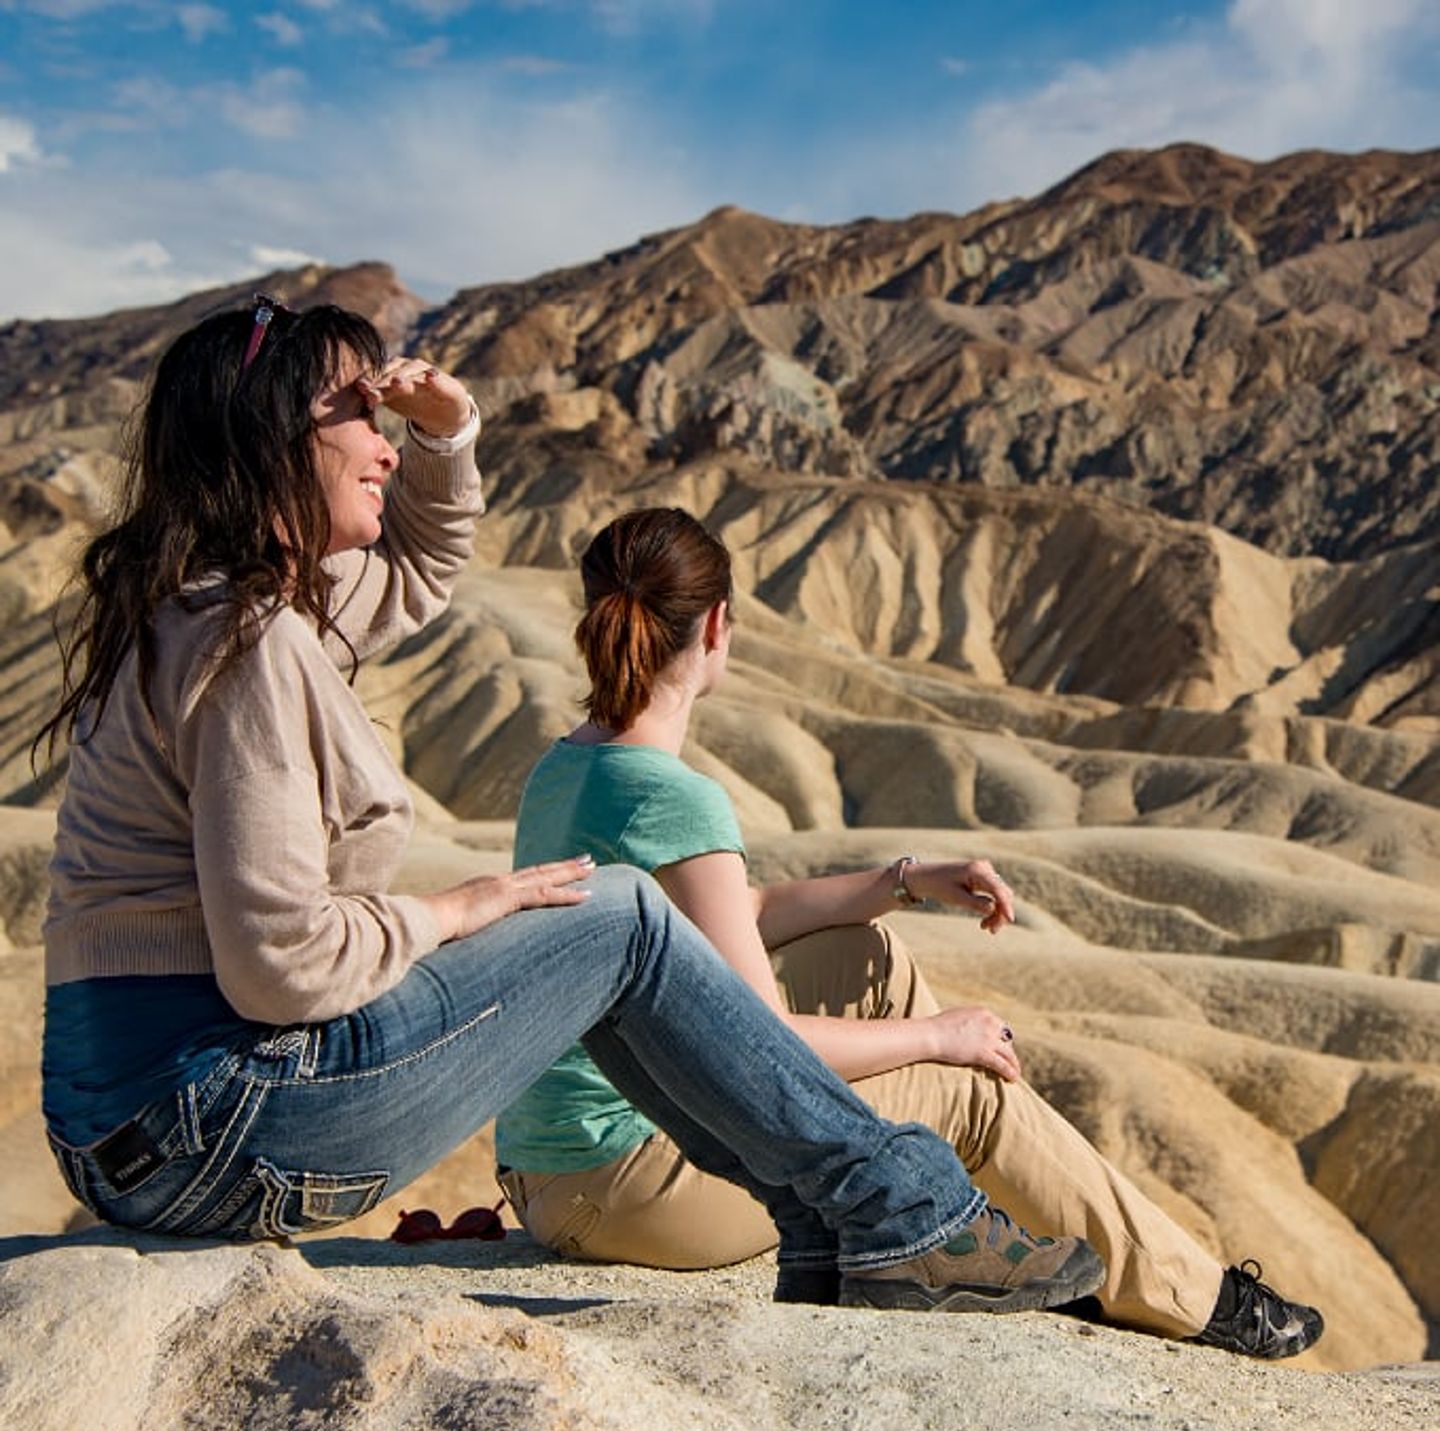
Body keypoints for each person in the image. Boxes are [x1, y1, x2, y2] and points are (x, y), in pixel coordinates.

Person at [35, 296, 1105, 1321]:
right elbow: (277, 965)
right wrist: (459, 913)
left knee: (609, 925)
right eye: (358, 411)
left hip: (145, 1130)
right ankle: (897, 1218)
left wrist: (453, 438)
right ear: (270, 439)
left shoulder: (211, 608)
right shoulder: (251, 644)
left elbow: (414, 566)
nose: (386, 439)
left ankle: (837, 1223)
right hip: (216, 1119)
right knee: (625, 917)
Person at [496, 505, 1326, 1361]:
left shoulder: (572, 766)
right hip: (634, 1193)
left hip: (559, 1177)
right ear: (717, 626)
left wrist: (898, 884)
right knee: (967, 1088)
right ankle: (1192, 1297)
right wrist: (940, 1037)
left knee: (865, 953)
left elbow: (735, 912)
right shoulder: (674, 796)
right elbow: (762, 1049)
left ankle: (964, 1220)